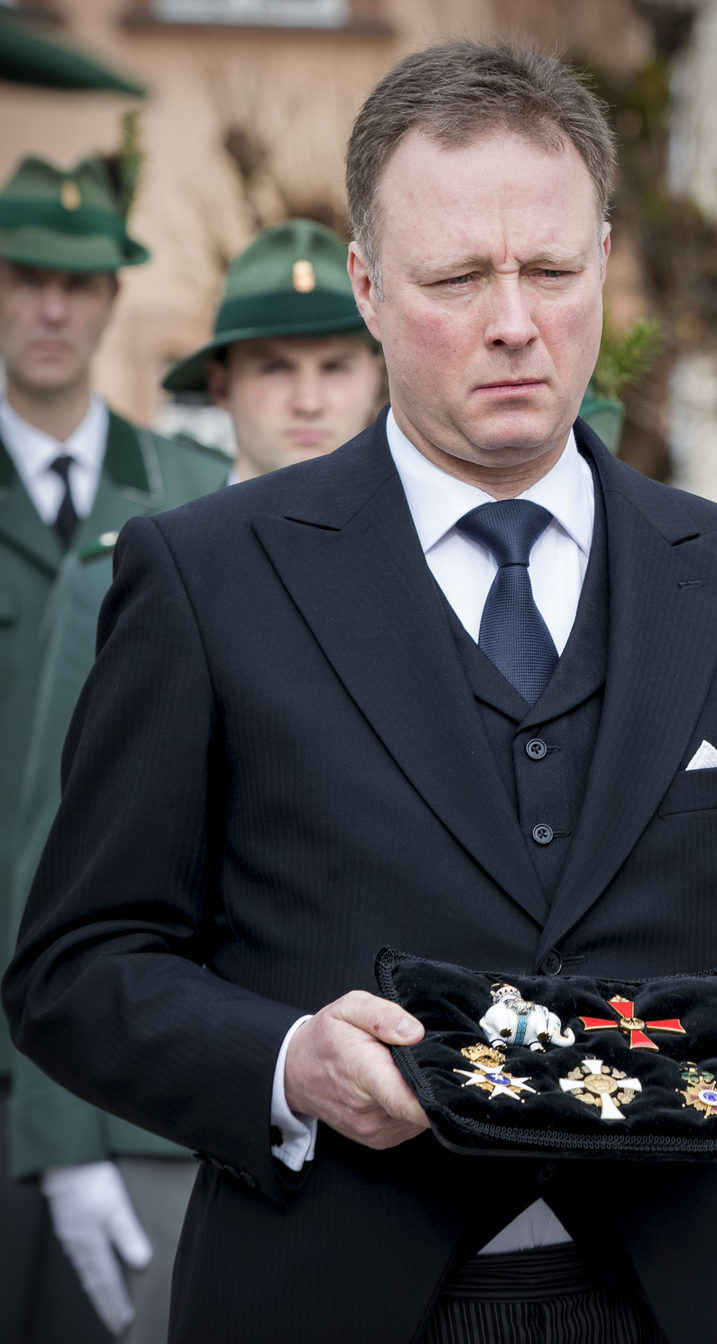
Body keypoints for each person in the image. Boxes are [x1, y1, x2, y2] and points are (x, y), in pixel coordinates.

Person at [4, 42, 717, 1344]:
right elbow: (76, 965)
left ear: (606, 261)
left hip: (676, 1301)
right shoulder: (204, 577)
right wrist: (286, 1066)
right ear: (370, 286)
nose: (516, 320)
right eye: (458, 276)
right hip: (319, 1301)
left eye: (552, 271)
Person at [6, 216, 383, 1343]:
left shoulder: (429, 573)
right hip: (179, 1112)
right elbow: (55, 884)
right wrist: (67, 1145)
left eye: (334, 365)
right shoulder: (132, 572)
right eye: (275, 367)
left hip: (385, 1122)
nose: (307, 400)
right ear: (221, 383)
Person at [0, 151, 228, 1344]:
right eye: (26, 276)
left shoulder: (187, 493)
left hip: (97, 1041)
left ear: (110, 299)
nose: (51, 307)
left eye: (78, 284)